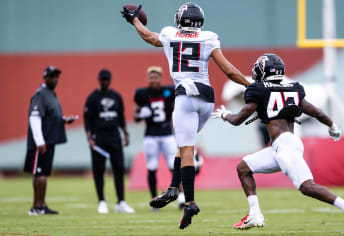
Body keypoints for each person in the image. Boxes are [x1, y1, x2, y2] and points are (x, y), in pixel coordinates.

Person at [121, 2, 250, 229]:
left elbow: (149, 37)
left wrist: (135, 20)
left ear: (178, 19)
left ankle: (189, 201)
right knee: (183, 146)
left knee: (187, 149)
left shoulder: (170, 34)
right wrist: (251, 85)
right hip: (206, 99)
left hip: (185, 97)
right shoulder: (209, 37)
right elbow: (229, 71)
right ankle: (173, 189)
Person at [212, 54, 344, 236]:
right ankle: (255, 214)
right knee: (244, 167)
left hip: (285, 146)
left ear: (263, 70)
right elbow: (316, 111)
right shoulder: (293, 88)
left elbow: (238, 120)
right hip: (282, 145)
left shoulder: (258, 90)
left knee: (306, 187)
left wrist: (225, 115)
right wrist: (332, 126)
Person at [24, 65, 77, 215]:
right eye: (53, 76)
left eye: (57, 76)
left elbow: (51, 116)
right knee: (40, 174)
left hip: (49, 139)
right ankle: (36, 206)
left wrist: (64, 120)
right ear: (45, 77)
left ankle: (41, 205)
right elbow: (34, 117)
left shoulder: (51, 94)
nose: (56, 79)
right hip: (42, 141)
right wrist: (39, 141)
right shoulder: (41, 94)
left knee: (44, 174)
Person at [134, 66, 185, 210]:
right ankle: (154, 201)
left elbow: (180, 106)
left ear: (160, 78)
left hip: (167, 134)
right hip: (150, 135)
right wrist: (140, 115)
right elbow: (136, 116)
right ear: (148, 79)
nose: (153, 80)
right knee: (151, 167)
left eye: (156, 77)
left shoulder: (169, 91)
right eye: (151, 78)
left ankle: (181, 198)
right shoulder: (142, 94)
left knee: (173, 166)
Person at [83, 69, 135, 214]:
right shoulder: (92, 98)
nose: (105, 82)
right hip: (99, 139)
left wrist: (125, 134)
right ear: (99, 80)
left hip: (114, 138)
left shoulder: (116, 96)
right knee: (98, 171)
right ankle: (102, 201)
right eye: (103, 80)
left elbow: (121, 117)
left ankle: (121, 202)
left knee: (119, 170)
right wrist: (89, 138)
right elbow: (87, 120)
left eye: (107, 79)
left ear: (110, 80)